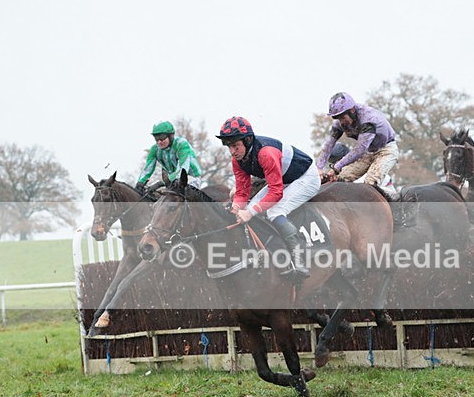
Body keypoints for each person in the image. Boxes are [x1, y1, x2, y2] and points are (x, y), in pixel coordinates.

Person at [216, 116, 321, 279]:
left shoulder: (266, 153)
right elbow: (242, 191)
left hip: (306, 177)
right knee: (249, 208)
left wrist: (249, 212)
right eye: (229, 146)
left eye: (235, 145)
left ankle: (298, 260)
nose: (232, 151)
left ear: (248, 140)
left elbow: (276, 192)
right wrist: (236, 208)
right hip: (284, 179)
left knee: (274, 211)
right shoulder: (237, 160)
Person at [315, 92, 399, 187]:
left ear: (352, 110)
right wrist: (319, 168)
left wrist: (336, 167)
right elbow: (328, 145)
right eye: (338, 118)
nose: (341, 122)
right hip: (368, 153)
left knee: (370, 182)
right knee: (339, 179)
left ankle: (391, 196)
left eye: (343, 118)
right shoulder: (340, 123)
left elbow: (359, 149)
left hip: (386, 151)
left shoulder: (368, 119)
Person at [136, 121, 202, 194]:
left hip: (190, 178)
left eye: (162, 137)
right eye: (156, 138)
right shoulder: (154, 149)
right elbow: (147, 169)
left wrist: (161, 183)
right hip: (171, 181)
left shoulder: (182, 144)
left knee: (176, 193)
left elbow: (182, 169)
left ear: (171, 136)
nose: (159, 142)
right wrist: (140, 183)